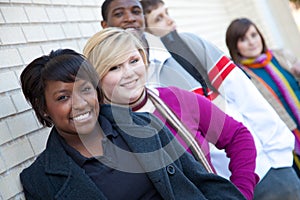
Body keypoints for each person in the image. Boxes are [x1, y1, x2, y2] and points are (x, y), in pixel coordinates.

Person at [100, 0, 300, 199]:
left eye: (136, 11)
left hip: (262, 174)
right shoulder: (112, 88)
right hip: (209, 191)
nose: (130, 19)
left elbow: (248, 98)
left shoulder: (186, 46)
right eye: (119, 14)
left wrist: (279, 162)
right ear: (104, 25)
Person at [19, 49, 247, 200]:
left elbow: (201, 180)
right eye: (62, 97)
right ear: (43, 108)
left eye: (85, 89)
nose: (80, 103)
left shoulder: (145, 126)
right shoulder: (39, 180)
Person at [83, 27, 258, 200]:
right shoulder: (98, 133)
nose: (129, 73)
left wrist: (240, 192)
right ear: (97, 78)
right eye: (114, 67)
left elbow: (238, 136)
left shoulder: (176, 99)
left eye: (134, 61)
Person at [225, 17, 300, 180]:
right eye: (243, 39)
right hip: (286, 138)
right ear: (234, 46)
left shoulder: (281, 56)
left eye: (254, 35)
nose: (251, 42)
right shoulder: (240, 75)